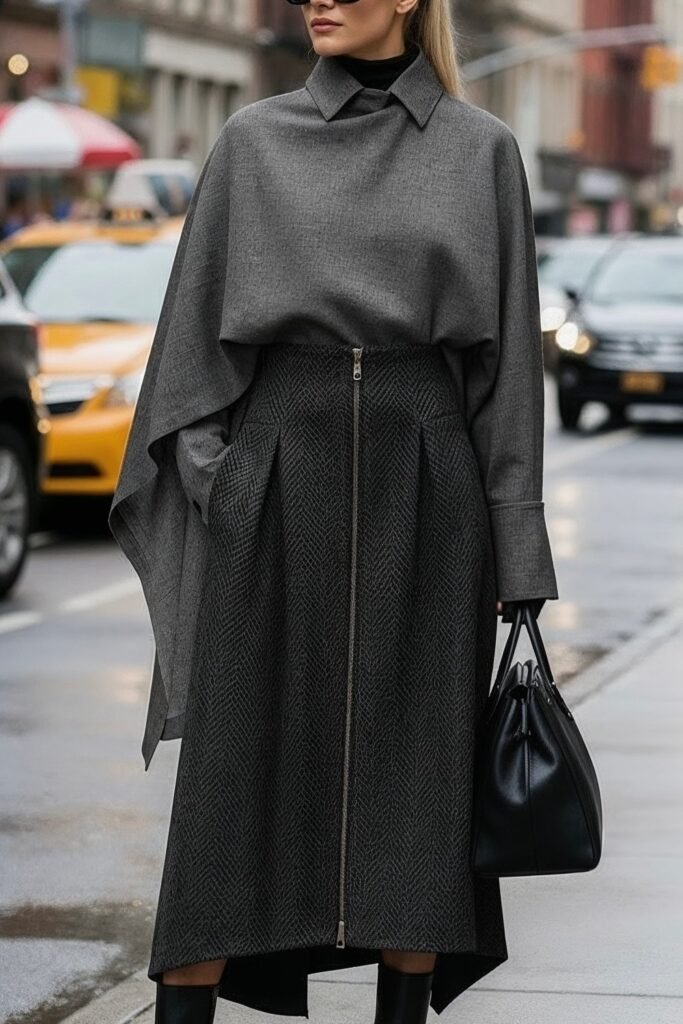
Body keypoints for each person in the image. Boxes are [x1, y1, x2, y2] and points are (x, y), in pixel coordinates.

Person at [108, 2, 559, 1023]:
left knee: (418, 797)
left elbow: (506, 376)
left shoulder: (479, 152)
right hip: (269, 495)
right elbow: (186, 359)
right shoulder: (250, 141)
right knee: (228, 802)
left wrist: (515, 560)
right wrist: (223, 486)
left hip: (428, 501)